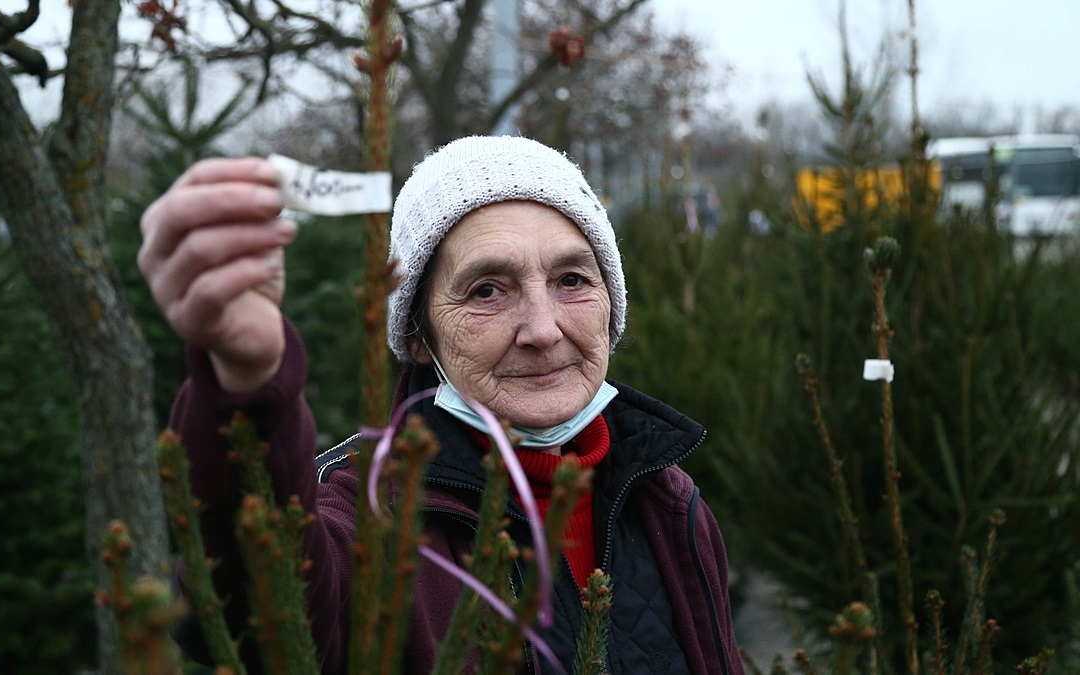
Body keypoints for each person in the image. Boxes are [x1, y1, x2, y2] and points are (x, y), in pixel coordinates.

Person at [138, 135, 745, 674]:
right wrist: (246, 378)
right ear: (416, 335)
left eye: (572, 280)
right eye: (487, 289)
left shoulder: (670, 500)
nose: (543, 328)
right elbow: (257, 613)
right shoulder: (371, 516)